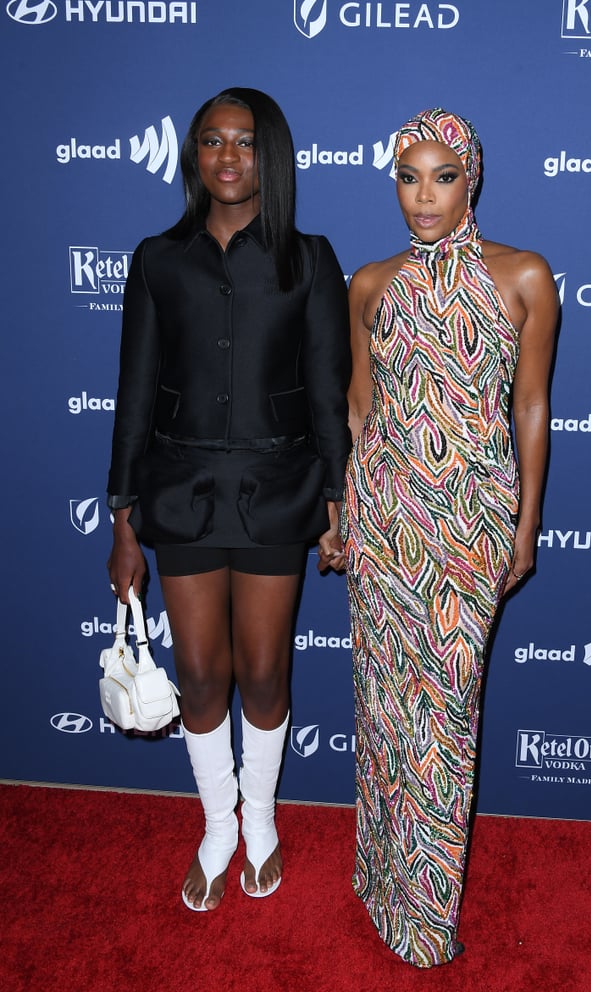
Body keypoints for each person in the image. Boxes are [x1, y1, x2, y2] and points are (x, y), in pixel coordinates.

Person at [106, 87, 351, 912]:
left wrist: (337, 503)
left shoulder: (309, 259)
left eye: (244, 142)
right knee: (201, 675)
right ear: (194, 157)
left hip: (280, 493)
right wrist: (123, 521)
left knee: (263, 672)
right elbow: (133, 394)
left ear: (269, 155)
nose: (227, 156)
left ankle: (263, 822)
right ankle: (217, 827)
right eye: (211, 141)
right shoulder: (157, 259)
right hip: (179, 493)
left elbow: (327, 392)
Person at [340, 108, 558, 966]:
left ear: (472, 179)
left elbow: (532, 408)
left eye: (441, 176)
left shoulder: (524, 278)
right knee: (387, 711)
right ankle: (381, 876)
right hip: (386, 522)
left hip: (469, 527)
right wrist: (340, 513)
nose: (422, 197)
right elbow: (359, 409)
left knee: (445, 720)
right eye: (407, 176)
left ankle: (424, 921)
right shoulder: (370, 283)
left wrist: (527, 524)